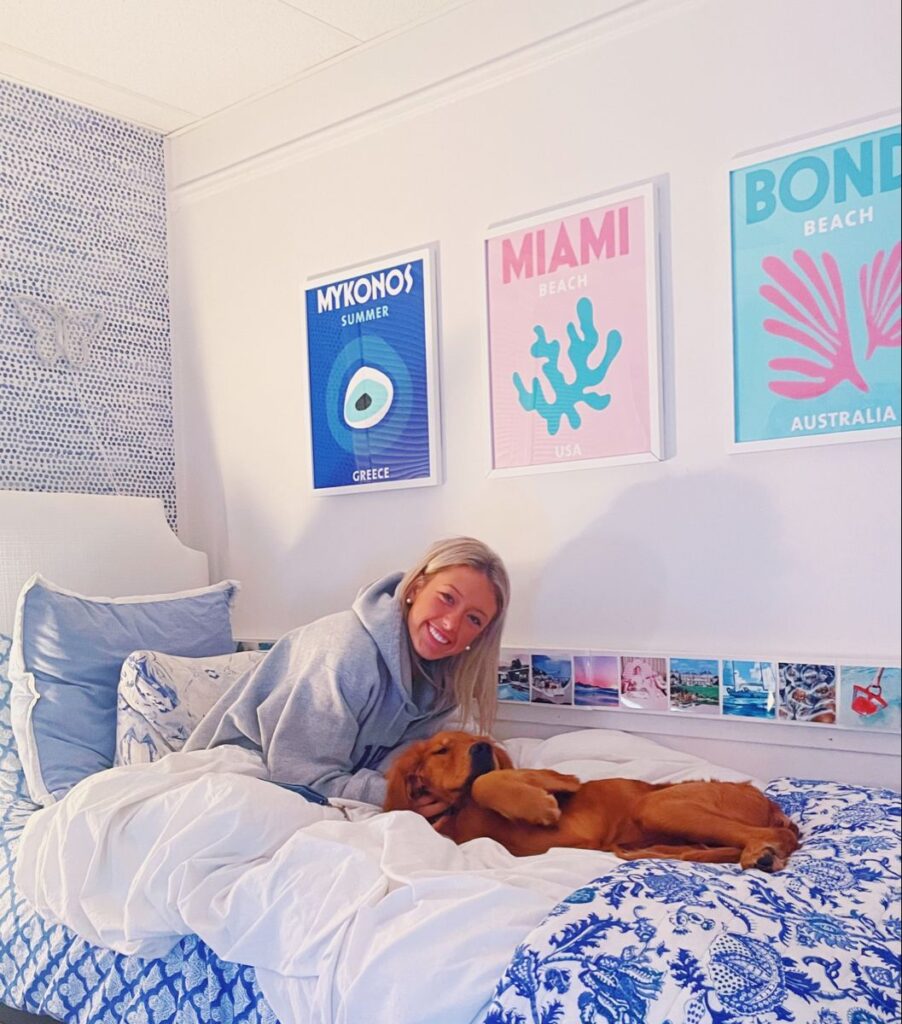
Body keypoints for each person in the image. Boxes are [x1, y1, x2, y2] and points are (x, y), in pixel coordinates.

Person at [184, 536, 510, 811]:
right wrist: (401, 797)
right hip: (249, 769)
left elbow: (401, 763)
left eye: (474, 619)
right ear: (415, 588)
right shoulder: (345, 652)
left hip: (324, 777)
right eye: (446, 598)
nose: (451, 624)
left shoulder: (443, 684)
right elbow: (299, 775)